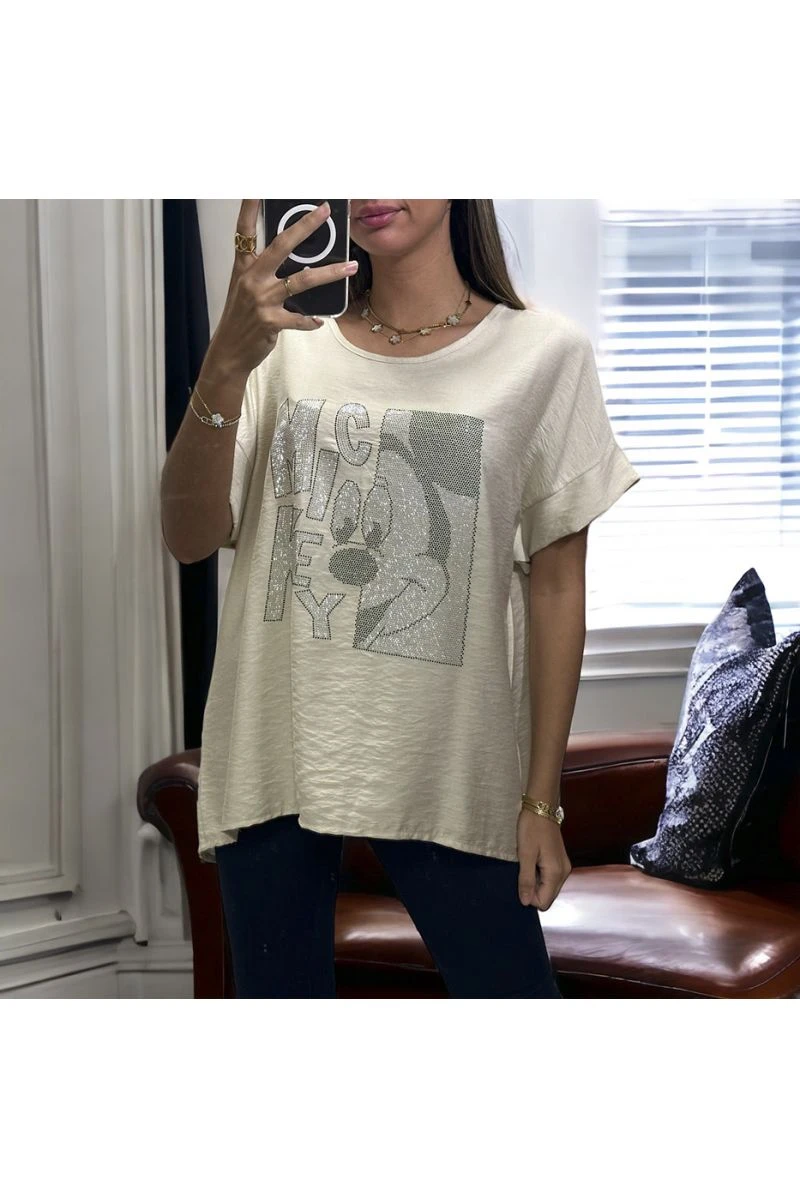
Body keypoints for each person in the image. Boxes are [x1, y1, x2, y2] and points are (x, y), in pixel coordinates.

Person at [160, 199, 641, 999]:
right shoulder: (282, 344)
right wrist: (225, 363)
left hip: (450, 764)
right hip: (274, 753)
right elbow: (187, 536)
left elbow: (558, 586)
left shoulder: (545, 354)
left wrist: (542, 801)